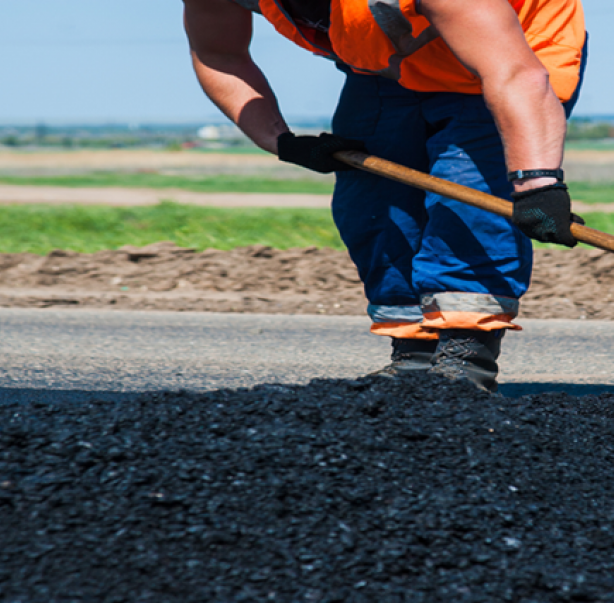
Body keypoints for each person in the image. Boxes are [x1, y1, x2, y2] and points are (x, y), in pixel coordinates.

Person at [182, 0, 587, 392]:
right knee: (373, 205)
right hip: (387, 67)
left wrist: (539, 185)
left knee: (468, 199)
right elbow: (220, 54)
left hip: (505, 54)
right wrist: (282, 142)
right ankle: (414, 357)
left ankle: (465, 359)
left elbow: (515, 74)